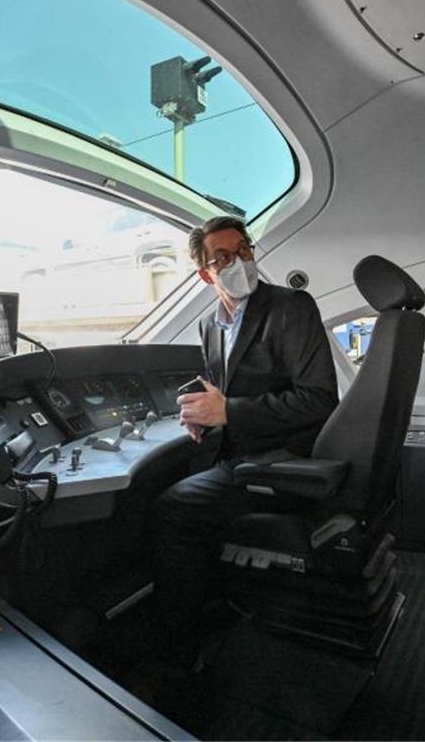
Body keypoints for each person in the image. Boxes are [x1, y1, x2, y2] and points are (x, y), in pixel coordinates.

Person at [152, 215, 338, 668]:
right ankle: (213, 603)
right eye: (223, 257)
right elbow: (222, 389)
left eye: (245, 250)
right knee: (177, 478)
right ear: (204, 274)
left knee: (171, 508)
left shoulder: (291, 307)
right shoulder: (209, 327)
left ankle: (178, 647)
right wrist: (201, 413)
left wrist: (229, 413)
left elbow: (318, 400)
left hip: (281, 458)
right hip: (235, 451)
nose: (240, 262)